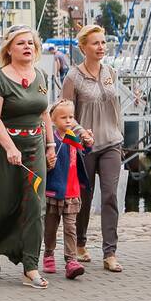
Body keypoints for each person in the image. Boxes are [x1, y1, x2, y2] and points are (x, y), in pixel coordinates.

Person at [0, 24, 54, 287]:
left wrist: (51, 144)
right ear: (9, 49)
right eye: (21, 43)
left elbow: (44, 113)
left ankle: (30, 266)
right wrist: (11, 147)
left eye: (31, 43)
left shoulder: (41, 75)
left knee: (36, 204)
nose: (27, 47)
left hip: (35, 144)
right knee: (4, 203)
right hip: (5, 147)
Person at [61, 24, 124, 272]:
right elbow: (65, 112)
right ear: (83, 47)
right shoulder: (73, 77)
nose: (101, 47)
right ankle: (80, 243)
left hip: (111, 142)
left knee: (110, 195)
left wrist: (120, 134)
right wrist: (79, 133)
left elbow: (116, 107)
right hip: (84, 145)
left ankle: (110, 252)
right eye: (95, 43)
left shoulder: (111, 72)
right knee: (83, 198)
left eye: (103, 42)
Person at [43, 100, 95, 280]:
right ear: (52, 119)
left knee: (70, 228)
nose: (68, 121)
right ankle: (48, 253)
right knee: (50, 226)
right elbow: (43, 163)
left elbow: (84, 154)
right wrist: (47, 163)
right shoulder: (50, 140)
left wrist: (88, 142)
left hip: (72, 191)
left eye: (71, 117)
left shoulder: (73, 136)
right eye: (63, 117)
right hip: (54, 190)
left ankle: (71, 260)